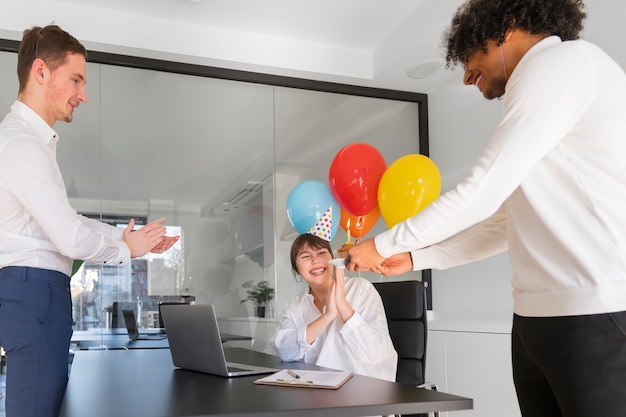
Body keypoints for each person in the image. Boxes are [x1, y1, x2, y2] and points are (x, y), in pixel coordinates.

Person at [344, 0, 626, 416]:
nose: (465, 76)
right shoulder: (538, 92)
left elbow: (480, 191)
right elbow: (504, 222)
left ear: (507, 27)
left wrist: (382, 244)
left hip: (593, 313)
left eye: (471, 55)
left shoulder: (566, 63)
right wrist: (417, 256)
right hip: (534, 321)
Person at [0, 25, 180, 417]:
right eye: (76, 79)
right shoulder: (21, 145)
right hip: (34, 291)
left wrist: (131, 238)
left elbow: (66, 221)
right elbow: (69, 238)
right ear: (41, 72)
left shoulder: (29, 144)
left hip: (37, 291)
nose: (83, 94)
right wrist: (124, 248)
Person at [271, 232, 397, 382]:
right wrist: (327, 316)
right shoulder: (294, 305)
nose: (315, 260)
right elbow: (285, 352)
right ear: (297, 268)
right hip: (316, 390)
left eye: (322, 253)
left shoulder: (361, 289)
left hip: (364, 390)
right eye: (305, 256)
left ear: (333, 258)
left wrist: (342, 305)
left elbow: (375, 354)